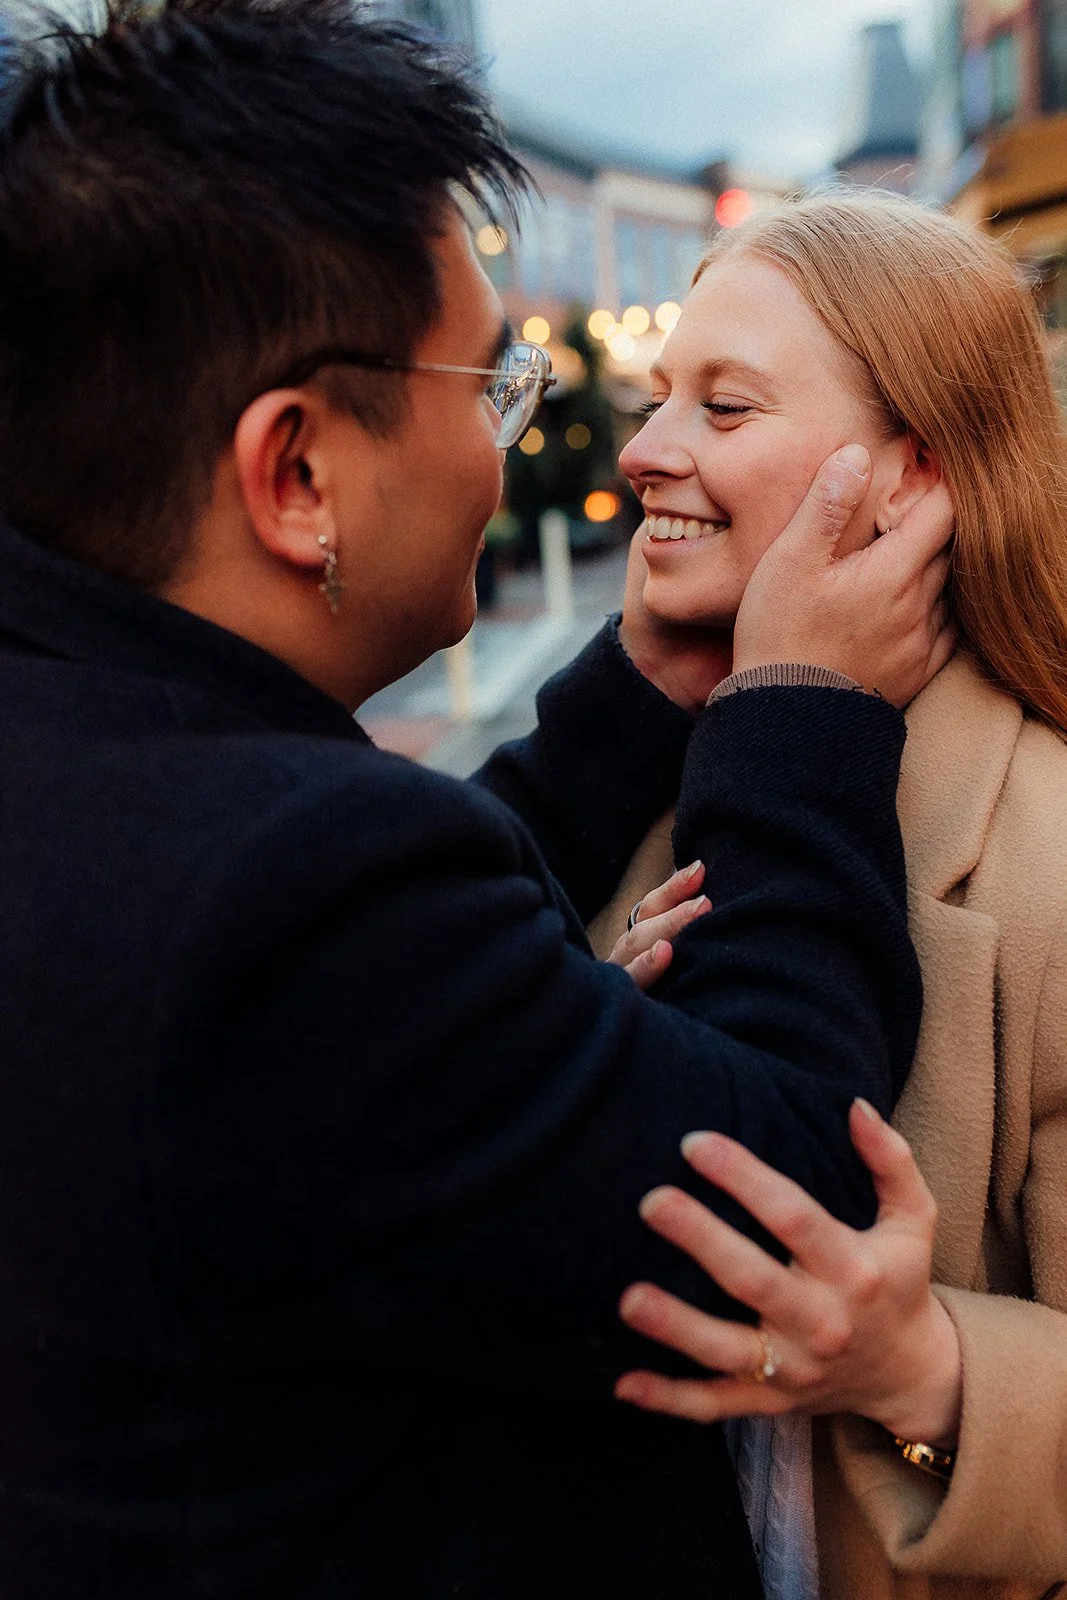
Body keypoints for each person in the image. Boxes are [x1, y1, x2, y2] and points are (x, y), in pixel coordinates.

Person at [0, 9, 953, 1595]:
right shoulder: (280, 895)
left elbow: (384, 907)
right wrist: (804, 715)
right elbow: (785, 1204)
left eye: (724, 410)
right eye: (483, 377)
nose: (541, 440)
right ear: (294, 471)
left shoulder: (90, 748)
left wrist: (637, 691)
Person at [588, 192, 1067, 1600]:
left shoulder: (1046, 854)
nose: (642, 452)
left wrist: (924, 1368)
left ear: (911, 480)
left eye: (722, 408)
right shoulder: (670, 782)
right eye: (655, 393)